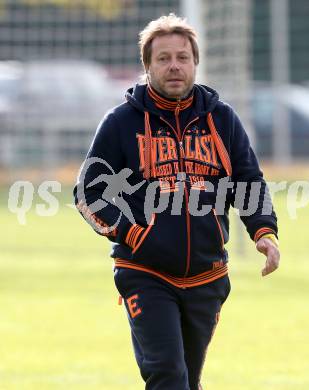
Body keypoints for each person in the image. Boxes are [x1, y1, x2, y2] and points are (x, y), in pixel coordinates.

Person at [74, 13, 280, 390]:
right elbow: (88, 192)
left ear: (195, 63)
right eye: (163, 58)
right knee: (167, 374)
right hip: (145, 273)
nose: (174, 66)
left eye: (182, 57)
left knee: (187, 378)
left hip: (208, 275)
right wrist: (130, 233)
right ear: (147, 66)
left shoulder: (222, 120)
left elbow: (248, 180)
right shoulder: (121, 122)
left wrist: (263, 231)